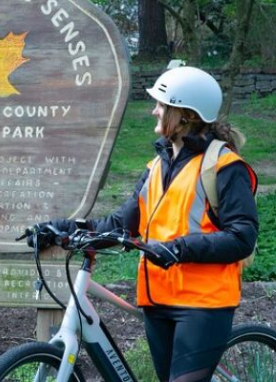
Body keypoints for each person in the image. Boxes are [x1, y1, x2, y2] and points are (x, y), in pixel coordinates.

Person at [31, 66, 258, 382]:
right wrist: (60, 229)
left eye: (161, 105)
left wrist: (177, 248)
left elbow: (241, 237)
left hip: (203, 305)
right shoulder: (156, 167)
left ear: (185, 114)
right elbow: (121, 224)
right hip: (157, 301)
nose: (154, 110)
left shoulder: (224, 168)